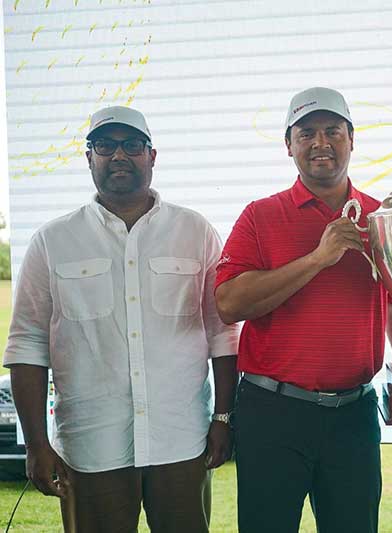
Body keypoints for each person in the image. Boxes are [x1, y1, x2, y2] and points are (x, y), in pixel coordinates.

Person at [4, 106, 239, 533]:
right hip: (91, 447)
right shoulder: (52, 241)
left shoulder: (195, 231)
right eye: (105, 145)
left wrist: (223, 418)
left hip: (180, 441)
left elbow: (222, 334)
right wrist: (37, 444)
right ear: (88, 157)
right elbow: (27, 347)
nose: (119, 156)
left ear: (152, 156)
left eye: (132, 145)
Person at [214, 86, 392, 533]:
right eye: (307, 134)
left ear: (351, 139)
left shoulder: (382, 218)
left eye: (333, 131)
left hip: (354, 414)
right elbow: (229, 303)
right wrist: (318, 259)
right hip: (273, 412)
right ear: (289, 145)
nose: (321, 143)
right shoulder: (260, 216)